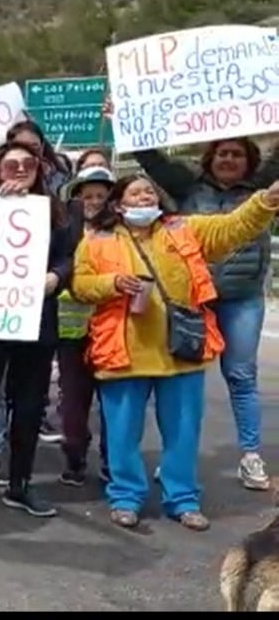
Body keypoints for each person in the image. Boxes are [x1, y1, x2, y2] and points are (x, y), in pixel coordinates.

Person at [71, 174, 279, 530]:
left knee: (183, 433)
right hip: (122, 354)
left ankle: (182, 499)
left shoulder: (185, 229)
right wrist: (112, 283)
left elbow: (233, 227)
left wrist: (266, 201)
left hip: (181, 352)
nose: (144, 197)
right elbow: (79, 284)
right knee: (122, 435)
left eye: (150, 191)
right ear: (118, 204)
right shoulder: (96, 240)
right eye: (134, 193)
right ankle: (125, 497)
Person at [0, 99, 75, 519]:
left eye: (28, 164)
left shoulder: (56, 212)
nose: (20, 170)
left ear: (39, 170)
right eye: (11, 164)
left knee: (28, 406)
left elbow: (67, 258)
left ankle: (20, 484)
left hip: (37, 325)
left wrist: (55, 279)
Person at [132, 137, 279, 491]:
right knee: (179, 381)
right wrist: (126, 120)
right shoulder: (186, 186)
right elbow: (152, 158)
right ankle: (175, 459)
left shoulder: (260, 188)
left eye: (238, 154)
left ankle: (250, 456)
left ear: (250, 161)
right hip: (192, 300)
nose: (229, 160)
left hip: (242, 299)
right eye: (223, 153)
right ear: (210, 158)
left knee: (242, 376)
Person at [56, 167, 115, 486]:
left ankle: (112, 459)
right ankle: (75, 456)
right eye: (87, 195)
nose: (93, 202)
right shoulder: (65, 230)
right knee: (73, 400)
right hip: (71, 333)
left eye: (100, 196)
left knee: (113, 401)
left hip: (111, 329)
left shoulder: (122, 232)